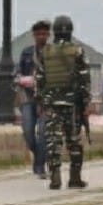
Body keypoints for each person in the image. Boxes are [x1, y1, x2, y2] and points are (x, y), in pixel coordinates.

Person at [34, 14, 90, 190]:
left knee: (53, 141)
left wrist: (41, 101)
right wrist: (86, 103)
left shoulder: (46, 52)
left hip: (52, 104)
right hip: (72, 103)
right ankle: (75, 178)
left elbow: (40, 79)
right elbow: (84, 80)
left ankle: (55, 177)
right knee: (74, 141)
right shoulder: (77, 51)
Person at [17, 19, 51, 179]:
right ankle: (40, 156)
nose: (41, 37)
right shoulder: (27, 53)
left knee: (44, 133)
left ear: (48, 35)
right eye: (38, 34)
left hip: (46, 99)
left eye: (44, 34)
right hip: (29, 97)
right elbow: (18, 73)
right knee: (28, 131)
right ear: (34, 35)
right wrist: (21, 80)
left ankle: (39, 165)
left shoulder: (53, 54)